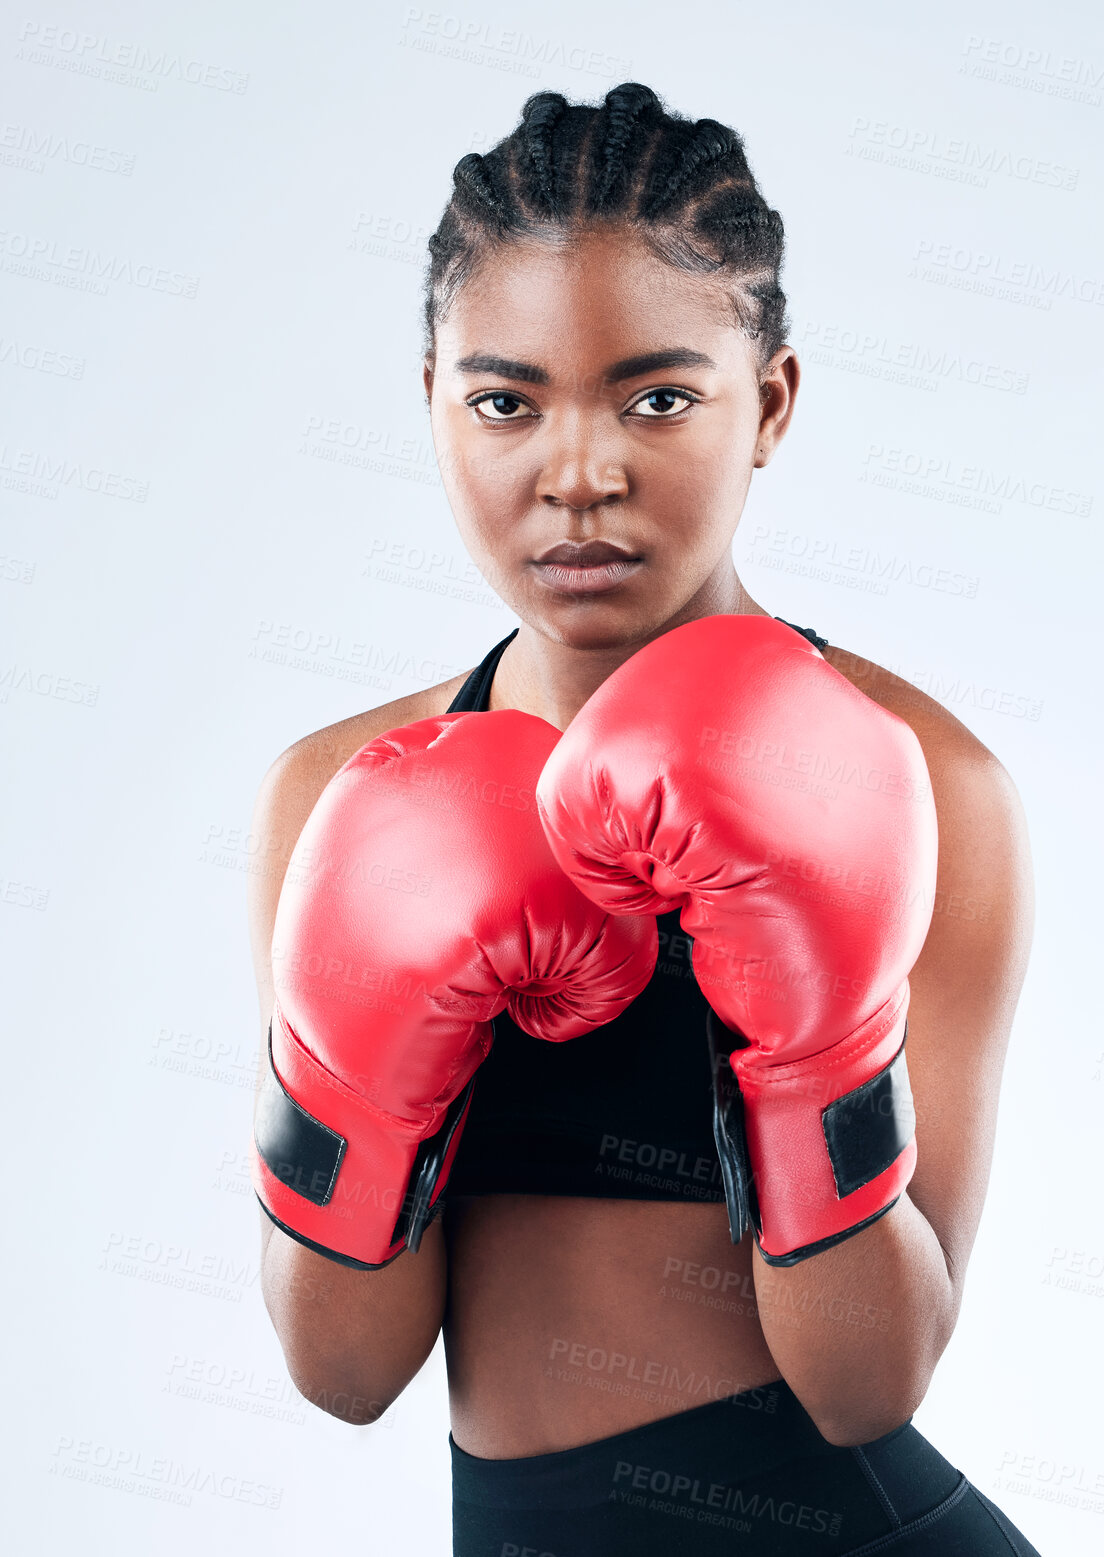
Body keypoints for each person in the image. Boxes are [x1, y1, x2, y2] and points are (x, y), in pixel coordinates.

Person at [247, 83, 1040, 1555]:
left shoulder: (927, 781)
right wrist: (362, 1089)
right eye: (506, 398)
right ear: (430, 398)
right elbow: (343, 1370)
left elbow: (870, 1381)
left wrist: (811, 1056)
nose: (579, 472)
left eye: (658, 396)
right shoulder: (338, 793)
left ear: (773, 405)